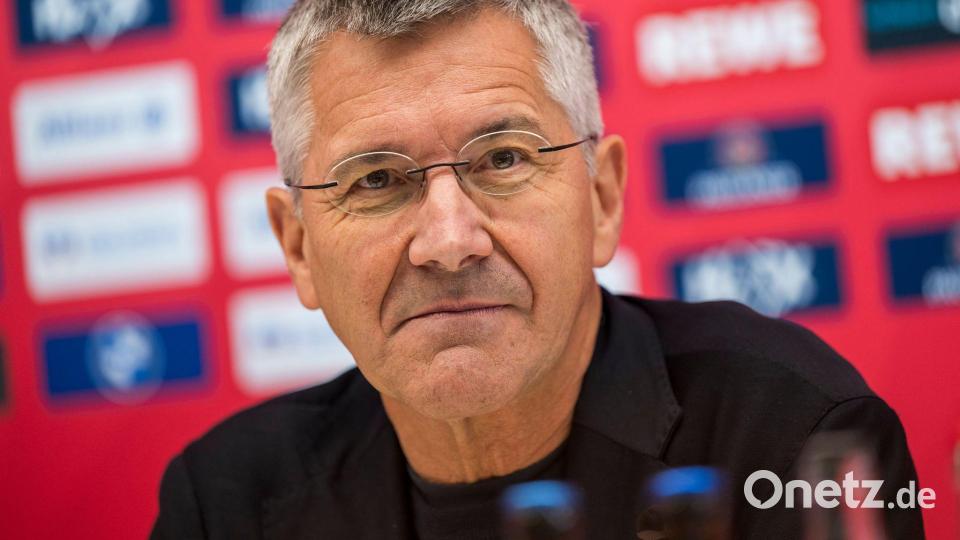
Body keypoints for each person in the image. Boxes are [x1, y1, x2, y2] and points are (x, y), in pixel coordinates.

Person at [151, 1, 925, 538]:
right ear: (297, 247)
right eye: (378, 181)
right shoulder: (226, 504)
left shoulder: (792, 435)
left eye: (503, 159)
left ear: (602, 197)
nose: (449, 242)